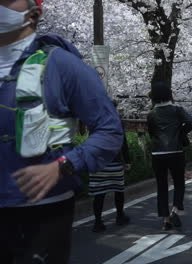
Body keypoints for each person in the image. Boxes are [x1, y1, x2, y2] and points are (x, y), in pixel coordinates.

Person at [0, 1, 124, 263]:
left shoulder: (62, 65)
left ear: (34, 13)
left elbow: (109, 130)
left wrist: (64, 166)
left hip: (41, 212)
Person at [147, 81, 192, 231]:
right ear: (169, 94)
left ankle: (165, 220)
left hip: (157, 153)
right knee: (179, 182)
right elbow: (190, 121)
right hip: (175, 151)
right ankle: (175, 210)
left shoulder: (151, 114)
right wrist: (180, 133)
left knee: (161, 186)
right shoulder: (176, 110)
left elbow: (151, 132)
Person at [89, 101, 131, 233]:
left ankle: (98, 222)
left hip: (99, 163)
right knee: (118, 190)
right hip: (115, 162)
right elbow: (123, 143)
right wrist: (127, 160)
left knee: (99, 194)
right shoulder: (117, 122)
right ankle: (120, 216)